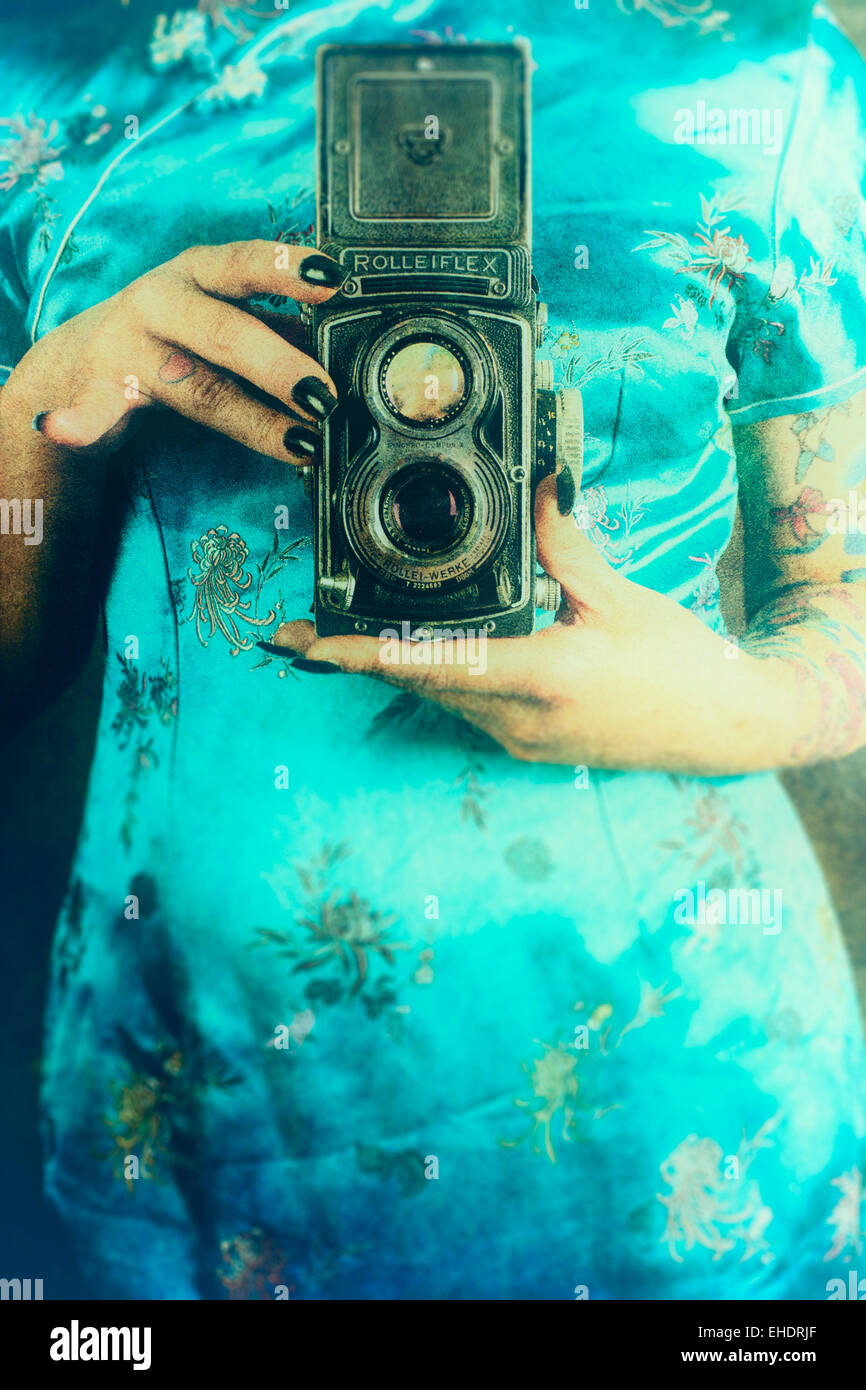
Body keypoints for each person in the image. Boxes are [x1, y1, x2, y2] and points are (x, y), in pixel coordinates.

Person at [2, 0, 865, 1300]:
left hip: (674, 1084)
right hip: (205, 1100)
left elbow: (837, 595)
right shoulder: (33, 72)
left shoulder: (755, 57)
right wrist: (36, 421)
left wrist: (721, 703)